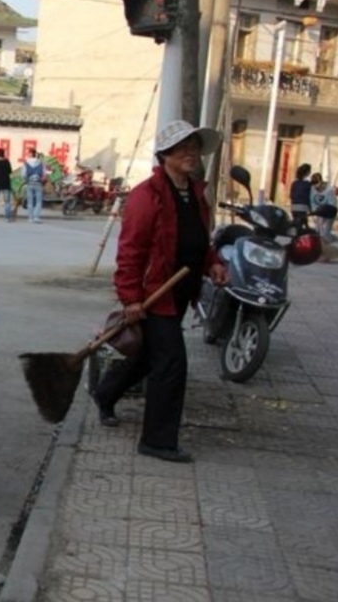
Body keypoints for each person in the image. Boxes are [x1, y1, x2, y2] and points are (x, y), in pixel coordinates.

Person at [92, 120, 229, 463]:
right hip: (155, 293)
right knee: (171, 364)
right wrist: (131, 299)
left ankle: (105, 393)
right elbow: (131, 252)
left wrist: (212, 261)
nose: (191, 153)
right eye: (183, 147)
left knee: (148, 356)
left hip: (182, 290)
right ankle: (157, 440)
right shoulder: (146, 196)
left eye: (195, 147)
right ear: (165, 154)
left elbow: (198, 238)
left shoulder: (196, 193)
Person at [310, 173, 338, 241]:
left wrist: (322, 211)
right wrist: (315, 211)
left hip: (330, 211)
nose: (315, 186)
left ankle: (331, 241)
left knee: (325, 233)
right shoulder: (312, 189)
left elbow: (332, 204)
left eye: (316, 183)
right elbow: (312, 201)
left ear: (320, 181)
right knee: (317, 231)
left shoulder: (329, 190)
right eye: (314, 184)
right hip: (320, 211)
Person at [22, 148, 46, 223]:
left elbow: (23, 174)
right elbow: (44, 174)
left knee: (30, 201)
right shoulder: (41, 163)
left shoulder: (26, 163)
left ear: (31, 154)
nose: (28, 154)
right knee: (38, 201)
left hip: (29, 183)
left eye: (28, 153)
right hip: (38, 183)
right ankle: (36, 217)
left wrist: (25, 180)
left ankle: (30, 218)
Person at [289, 163, 313, 228]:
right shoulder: (308, 184)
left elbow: (291, 195)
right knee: (301, 223)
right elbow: (309, 197)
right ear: (308, 172)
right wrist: (311, 208)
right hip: (303, 206)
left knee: (297, 222)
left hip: (294, 206)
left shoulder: (294, 183)